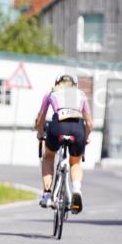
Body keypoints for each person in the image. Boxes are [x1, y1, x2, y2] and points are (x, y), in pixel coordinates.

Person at [35, 74, 92, 213]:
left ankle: (47, 194)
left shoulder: (51, 93)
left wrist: (40, 133)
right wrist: (87, 136)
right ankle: (77, 190)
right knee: (75, 163)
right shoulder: (81, 94)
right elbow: (89, 123)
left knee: (48, 157)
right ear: (75, 85)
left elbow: (40, 120)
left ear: (57, 82)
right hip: (78, 128)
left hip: (57, 127)